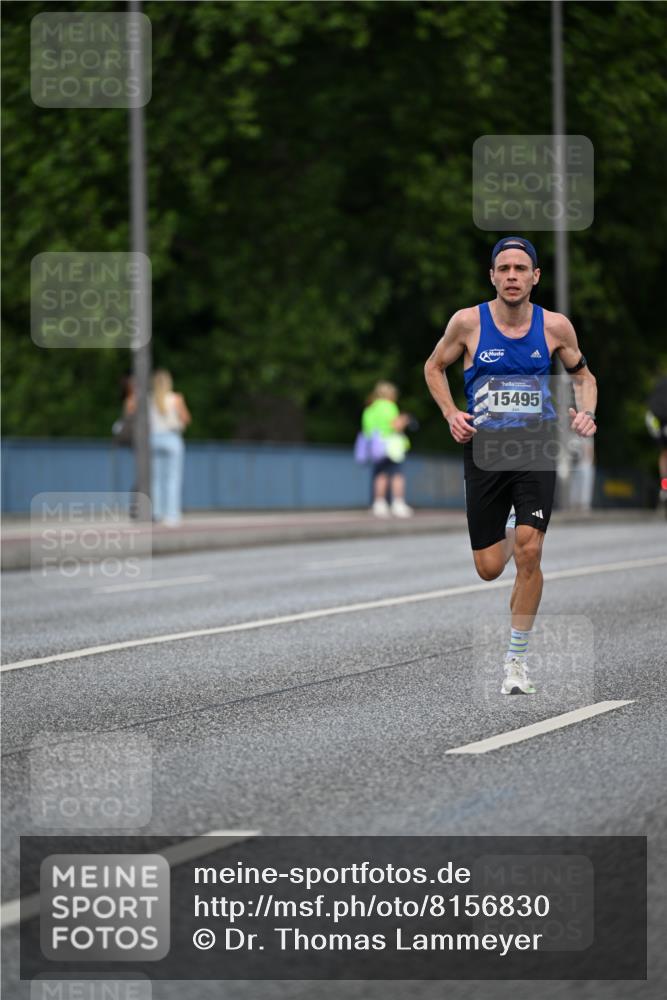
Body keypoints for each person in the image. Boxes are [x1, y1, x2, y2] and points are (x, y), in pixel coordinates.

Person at [424, 236, 597, 694]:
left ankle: (515, 662)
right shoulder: (467, 323)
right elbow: (432, 367)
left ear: (535, 276)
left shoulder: (556, 326)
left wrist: (586, 411)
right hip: (485, 451)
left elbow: (583, 374)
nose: (513, 276)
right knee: (487, 567)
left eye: (522, 268)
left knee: (530, 549)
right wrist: (450, 413)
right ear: (493, 276)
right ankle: (508, 527)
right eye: (504, 269)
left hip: (536, 446)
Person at [361, 381, 414, 518]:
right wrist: (404, 420)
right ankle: (398, 504)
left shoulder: (370, 409)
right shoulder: (389, 406)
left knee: (380, 474)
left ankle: (379, 504)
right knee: (397, 474)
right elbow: (395, 426)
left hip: (376, 445)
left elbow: (367, 429)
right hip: (391, 444)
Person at [149, 369, 191, 525]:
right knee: (172, 478)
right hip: (172, 438)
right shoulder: (176, 399)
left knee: (156, 479)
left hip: (153, 439)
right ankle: (171, 515)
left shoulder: (149, 400)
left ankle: (157, 513)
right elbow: (186, 419)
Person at [645, 373, 667, 508]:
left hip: (653, 419)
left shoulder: (660, 383)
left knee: (664, 452)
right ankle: (665, 486)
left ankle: (665, 485)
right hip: (659, 420)